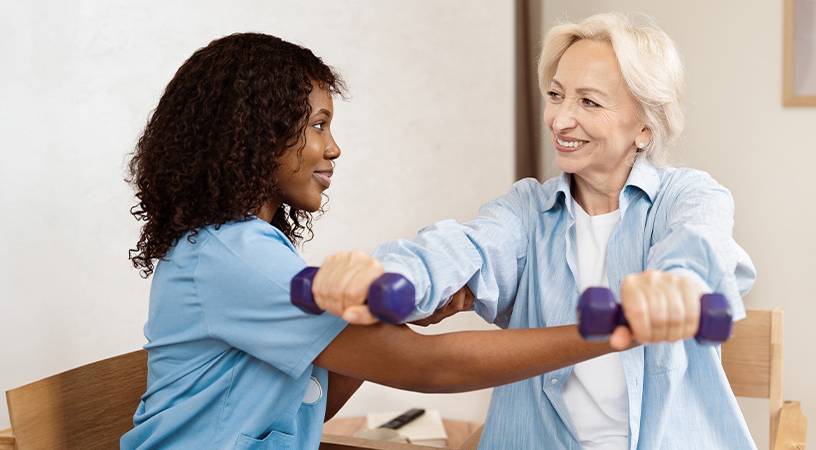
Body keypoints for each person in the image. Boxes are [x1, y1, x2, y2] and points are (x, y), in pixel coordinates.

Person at [118, 33, 622, 450]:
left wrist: (389, 316)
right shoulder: (237, 258)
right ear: (253, 134)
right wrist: (611, 333)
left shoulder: (241, 247)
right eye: (318, 125)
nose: (333, 148)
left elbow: (305, 407)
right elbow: (431, 367)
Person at [308, 13, 758, 450]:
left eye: (589, 102)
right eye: (556, 95)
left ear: (644, 125)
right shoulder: (526, 210)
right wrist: (387, 275)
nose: (560, 120)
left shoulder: (688, 195)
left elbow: (700, 247)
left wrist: (672, 287)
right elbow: (464, 248)